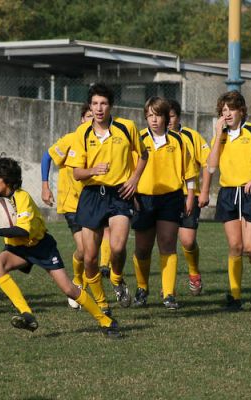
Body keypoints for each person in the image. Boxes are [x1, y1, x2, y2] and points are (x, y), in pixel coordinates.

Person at [0, 157, 120, 338]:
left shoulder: (22, 197)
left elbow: (23, 230)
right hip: (18, 248)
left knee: (69, 289)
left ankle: (106, 321)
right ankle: (26, 314)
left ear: (8, 181)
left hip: (41, 246)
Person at [65, 83, 148, 313]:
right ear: (89, 107)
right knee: (90, 258)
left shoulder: (126, 127)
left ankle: (117, 279)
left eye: (103, 103)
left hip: (119, 194)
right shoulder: (82, 132)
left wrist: (134, 180)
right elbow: (76, 172)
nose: (99, 108)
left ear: (111, 105)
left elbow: (143, 154)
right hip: (91, 196)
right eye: (94, 104)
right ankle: (101, 303)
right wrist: (92, 170)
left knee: (118, 248)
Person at [208, 91, 251, 311]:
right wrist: (218, 134)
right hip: (228, 194)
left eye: (231, 109)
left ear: (241, 111)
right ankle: (235, 296)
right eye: (223, 110)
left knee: (250, 248)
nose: (226, 114)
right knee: (235, 246)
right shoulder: (221, 135)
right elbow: (211, 165)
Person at [131, 97, 196, 310]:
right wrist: (131, 195)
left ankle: (169, 294)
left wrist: (190, 196)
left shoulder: (178, 141)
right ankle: (142, 288)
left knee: (168, 243)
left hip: (171, 197)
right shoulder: (138, 139)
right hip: (143, 198)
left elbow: (189, 172)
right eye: (149, 115)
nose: (154, 119)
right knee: (142, 248)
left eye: (157, 115)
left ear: (166, 117)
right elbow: (129, 171)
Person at [41, 103, 93, 309]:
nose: (92, 119)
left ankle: (95, 289)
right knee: (83, 249)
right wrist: (45, 186)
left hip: (96, 202)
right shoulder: (71, 140)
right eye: (88, 116)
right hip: (72, 203)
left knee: (95, 251)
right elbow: (47, 156)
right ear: (82, 119)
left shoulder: (105, 142)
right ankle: (78, 283)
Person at [168, 99, 212, 296]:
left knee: (187, 241)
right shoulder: (154, 138)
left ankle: (194, 273)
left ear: (178, 117)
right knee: (166, 242)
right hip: (164, 196)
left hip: (188, 194)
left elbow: (207, 162)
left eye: (171, 116)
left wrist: (203, 192)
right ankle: (167, 287)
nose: (167, 121)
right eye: (163, 116)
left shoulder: (191, 137)